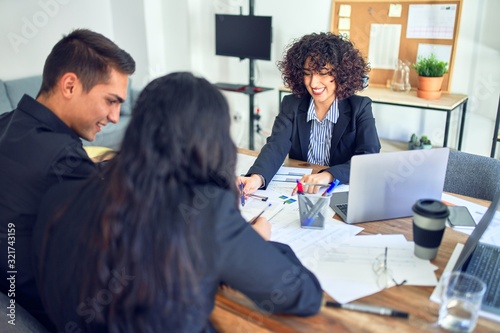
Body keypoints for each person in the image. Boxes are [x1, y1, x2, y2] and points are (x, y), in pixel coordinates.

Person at [32, 72, 323, 332]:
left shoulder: (64, 191)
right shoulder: (208, 215)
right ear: (213, 141)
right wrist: (257, 243)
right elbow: (302, 296)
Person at [0, 28, 135, 329]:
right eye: (111, 101)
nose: (115, 116)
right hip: (55, 312)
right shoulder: (64, 159)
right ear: (70, 85)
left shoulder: (7, 124)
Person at [240, 32, 380, 195]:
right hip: (300, 190)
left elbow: (368, 157)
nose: (313, 83)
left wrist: (328, 175)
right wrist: (256, 178)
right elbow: (276, 146)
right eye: (307, 73)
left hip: (338, 190)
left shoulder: (360, 107)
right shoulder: (292, 104)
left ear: (341, 73)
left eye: (323, 73)